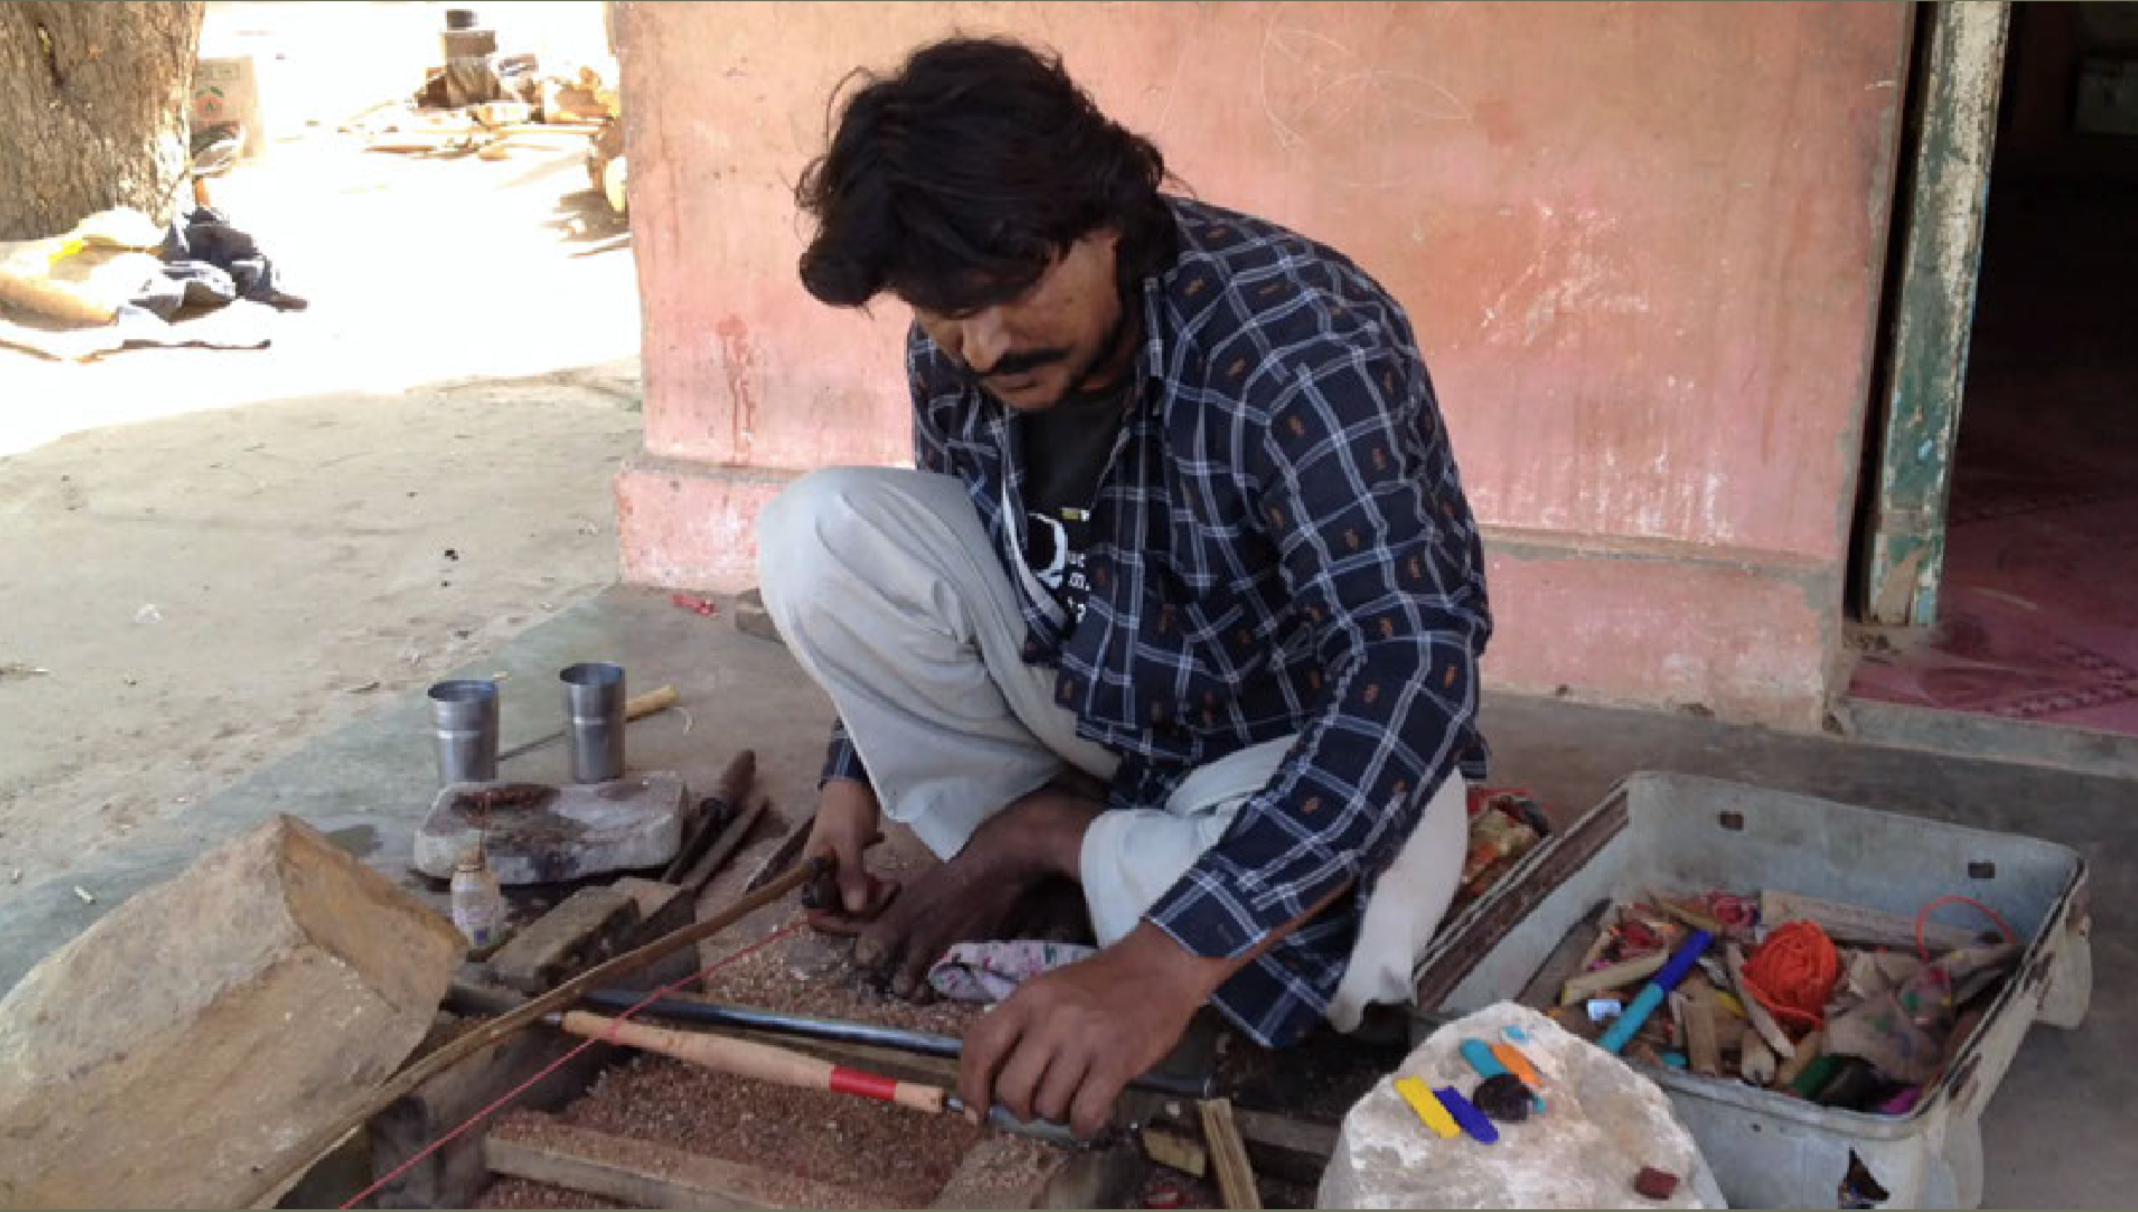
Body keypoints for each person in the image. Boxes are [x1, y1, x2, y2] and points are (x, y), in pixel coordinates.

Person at [758, 36, 1491, 1138]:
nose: (986, 345)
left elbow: (1411, 669)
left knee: (1339, 979)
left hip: (1274, 732)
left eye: (1013, 290)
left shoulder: (1295, 345)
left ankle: (1049, 845)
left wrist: (1163, 962)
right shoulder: (961, 342)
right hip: (1096, 691)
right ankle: (1074, 846)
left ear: (1107, 220)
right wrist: (848, 774)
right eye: (940, 312)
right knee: (818, 531)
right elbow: (964, 544)